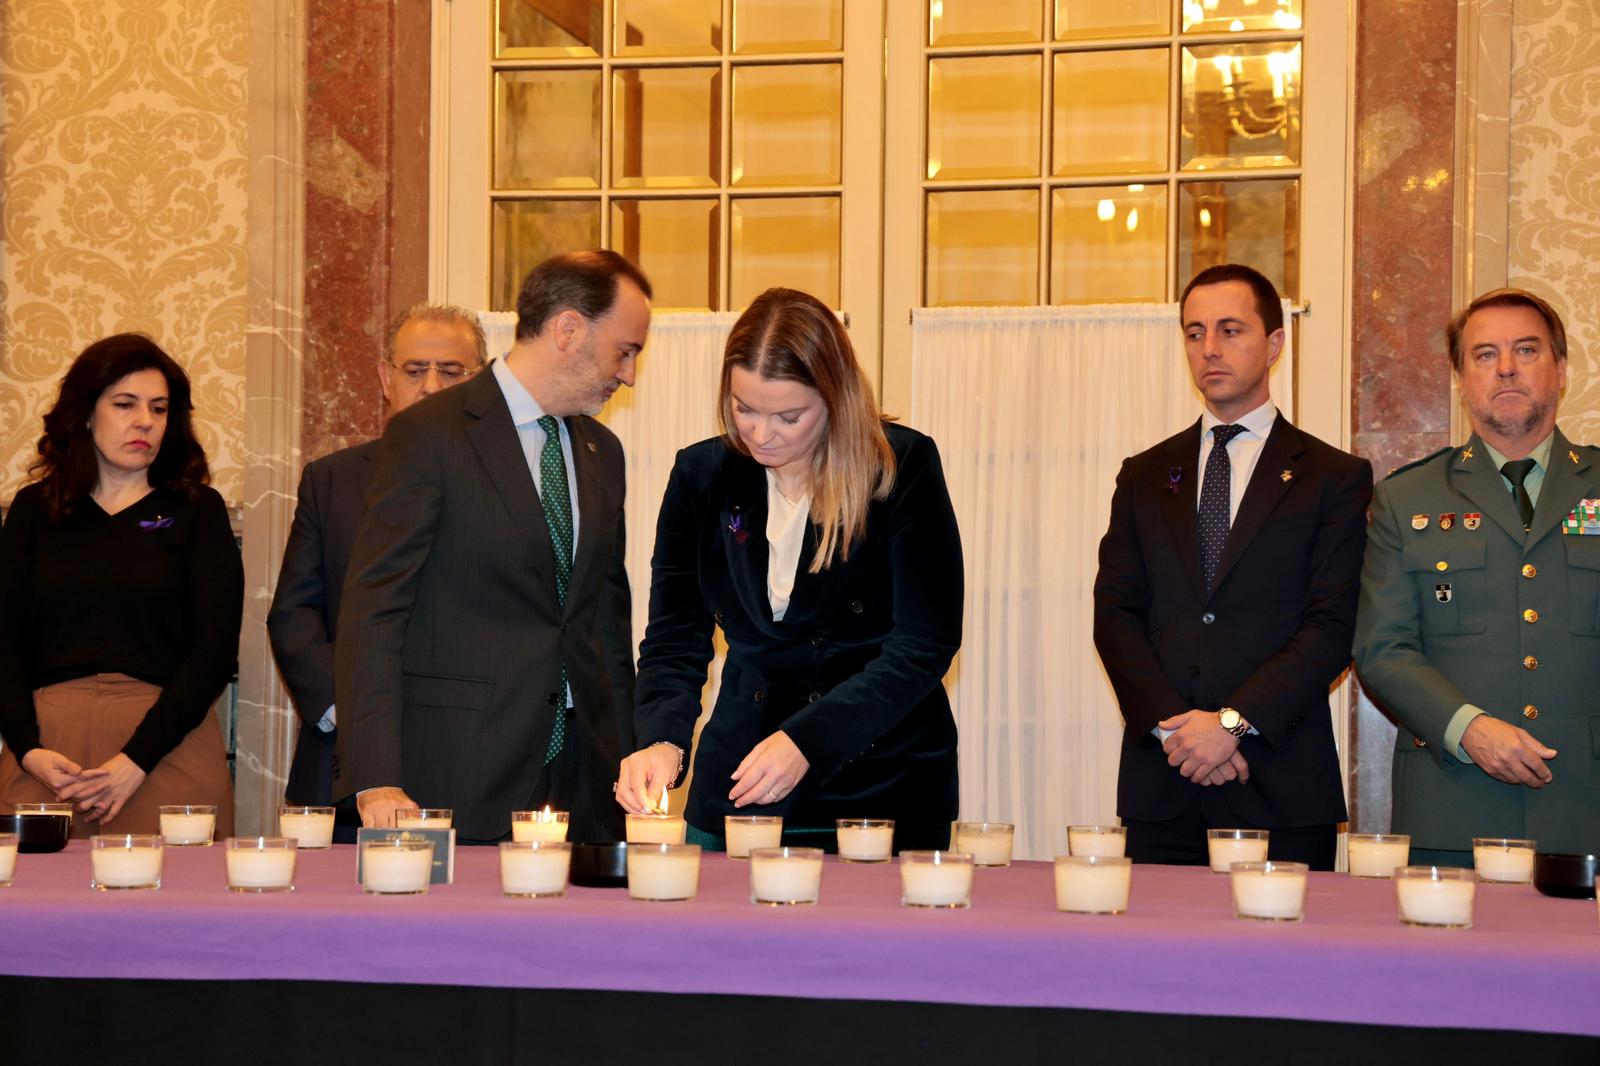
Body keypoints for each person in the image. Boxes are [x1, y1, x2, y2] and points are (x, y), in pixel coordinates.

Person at [616, 287, 964, 852]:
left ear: (835, 397)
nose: (759, 433)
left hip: (883, 783)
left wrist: (809, 740)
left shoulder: (901, 467)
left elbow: (925, 645)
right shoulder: (700, 475)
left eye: (788, 416)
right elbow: (676, 637)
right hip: (739, 776)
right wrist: (661, 740)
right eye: (743, 407)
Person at [335, 251, 650, 842]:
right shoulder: (430, 433)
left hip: (585, 782)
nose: (629, 373)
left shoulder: (601, 452)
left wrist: (627, 756)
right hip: (460, 770)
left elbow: (605, 620)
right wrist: (374, 776)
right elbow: (374, 610)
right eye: (625, 350)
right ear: (568, 330)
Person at [1092, 264, 1372, 870]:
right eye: (1194, 333)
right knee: (1154, 966)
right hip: (1164, 785)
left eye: (1229, 330)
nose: (1209, 349)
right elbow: (1115, 616)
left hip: (1281, 786)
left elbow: (1332, 626)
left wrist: (1231, 724)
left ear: (1274, 344)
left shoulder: (1334, 478)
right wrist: (1177, 733)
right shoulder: (1143, 475)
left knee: (1286, 967)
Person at [1354, 288, 1600, 863]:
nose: (1507, 367)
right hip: (1453, 808)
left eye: (1526, 350)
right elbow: (1382, 648)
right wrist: (1468, 728)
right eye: (1485, 355)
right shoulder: (1404, 498)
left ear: (1560, 370)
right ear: (1461, 378)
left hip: (1586, 811)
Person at [0, 333, 242, 836]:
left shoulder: (197, 510)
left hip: (166, 748)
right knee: (38, 912)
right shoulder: (34, 511)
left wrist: (135, 760)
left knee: (175, 911)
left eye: (159, 408)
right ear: (87, 413)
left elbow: (213, 653)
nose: (145, 422)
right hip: (48, 757)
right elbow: (5, 644)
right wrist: (28, 750)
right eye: (125, 404)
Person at [268, 304, 487, 840]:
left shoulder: (508, 488)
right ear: (386, 378)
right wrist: (360, 718)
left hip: (475, 757)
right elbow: (295, 617)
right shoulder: (332, 480)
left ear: (482, 380)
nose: (432, 386)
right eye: (415, 370)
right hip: (343, 768)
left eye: (452, 372)